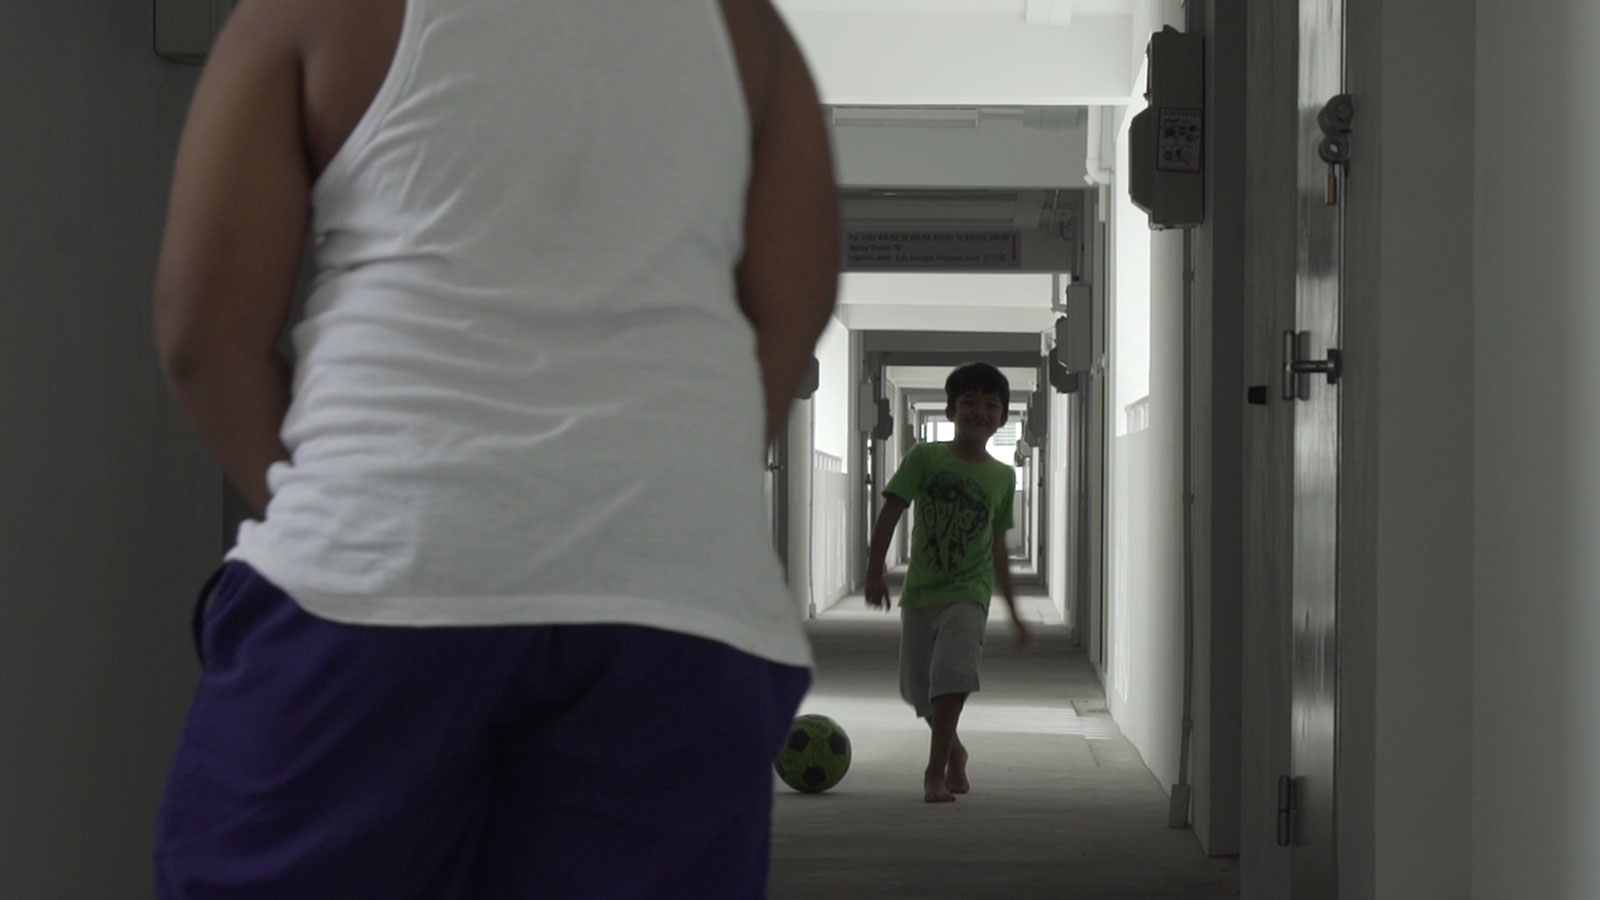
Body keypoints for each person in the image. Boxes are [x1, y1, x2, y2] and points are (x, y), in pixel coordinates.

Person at [149, 0, 839, 896]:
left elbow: (204, 337)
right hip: (678, 598)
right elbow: (792, 305)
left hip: (377, 582)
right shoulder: (745, 28)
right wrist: (657, 489)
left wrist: (360, 511)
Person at [864, 362, 1031, 804]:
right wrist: (874, 569)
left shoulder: (1003, 476)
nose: (980, 410)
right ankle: (954, 750)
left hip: (969, 594)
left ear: (1002, 416)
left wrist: (1013, 611)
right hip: (922, 591)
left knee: (951, 677)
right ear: (952, 410)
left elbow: (998, 547)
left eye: (991, 404)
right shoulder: (926, 457)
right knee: (920, 692)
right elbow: (891, 512)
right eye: (970, 401)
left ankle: (933, 774)